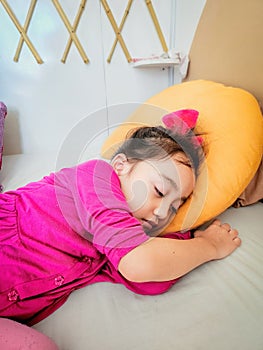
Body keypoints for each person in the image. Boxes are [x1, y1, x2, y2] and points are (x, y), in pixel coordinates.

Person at [0, 110, 241, 348]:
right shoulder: (96, 178)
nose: (161, 213)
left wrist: (183, 242)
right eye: (159, 191)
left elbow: (149, 281)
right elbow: (138, 264)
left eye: (174, 208)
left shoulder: (117, 241)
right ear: (121, 166)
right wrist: (209, 246)